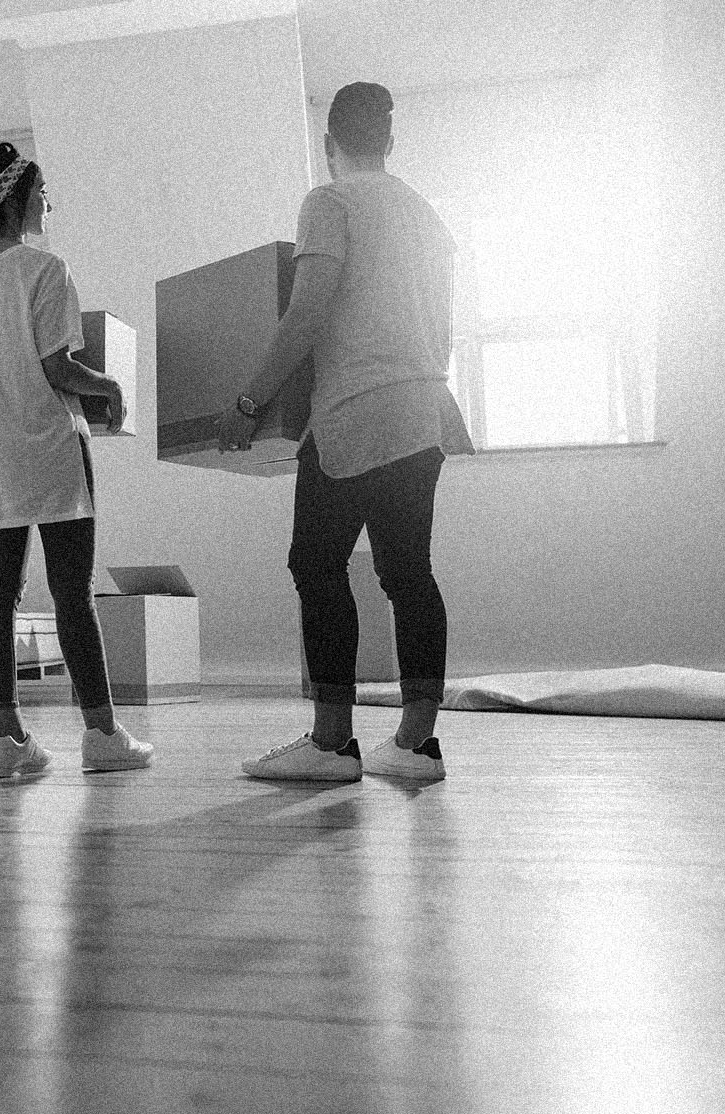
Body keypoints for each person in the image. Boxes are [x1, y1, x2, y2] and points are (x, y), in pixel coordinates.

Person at [218, 82, 474, 782]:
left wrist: (248, 403)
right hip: (425, 409)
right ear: (388, 144)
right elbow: (445, 331)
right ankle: (416, 745)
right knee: (407, 573)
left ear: (331, 146)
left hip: (357, 411)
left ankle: (331, 743)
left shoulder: (329, 202)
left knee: (316, 563)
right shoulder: (425, 214)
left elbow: (306, 315)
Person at [0, 141, 154, 779]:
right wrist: (109, 387)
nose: (49, 203)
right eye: (44, 192)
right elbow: (58, 366)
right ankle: (103, 735)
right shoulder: (44, 270)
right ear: (22, 196)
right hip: (54, 451)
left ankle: (9, 741)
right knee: (72, 595)